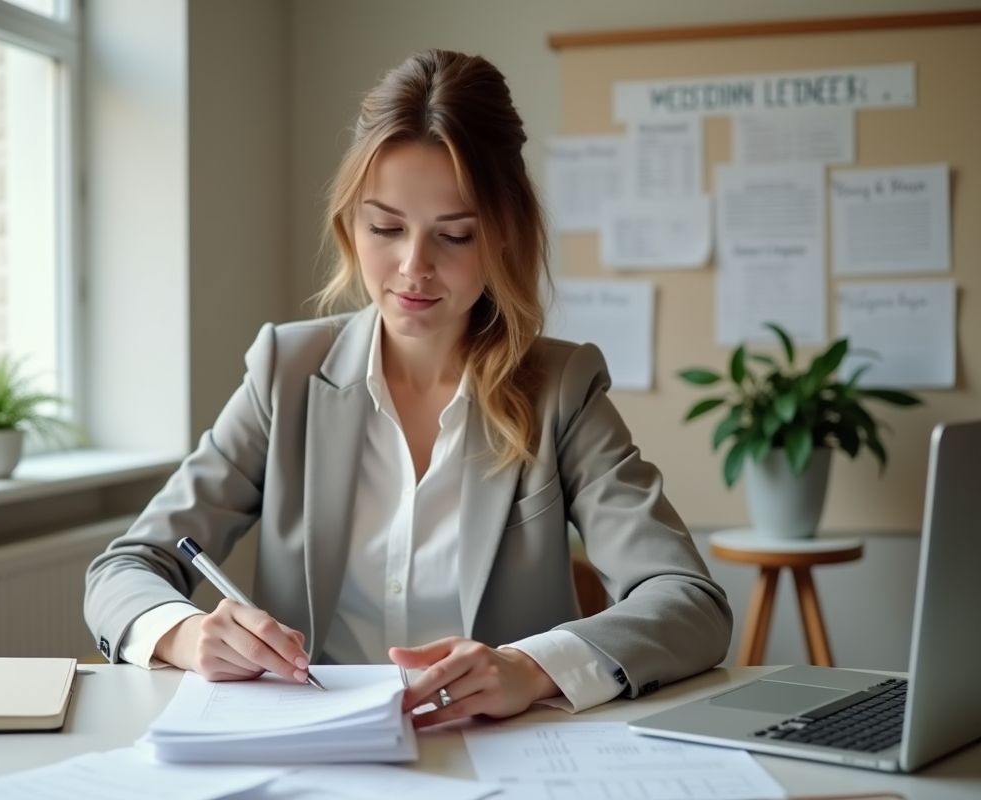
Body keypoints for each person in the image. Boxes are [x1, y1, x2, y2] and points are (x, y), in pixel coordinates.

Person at [84, 49, 732, 727]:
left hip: (500, 752)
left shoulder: (560, 389)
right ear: (349, 224)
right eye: (385, 228)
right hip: (314, 745)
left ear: (505, 236)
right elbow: (125, 567)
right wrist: (188, 636)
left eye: (453, 236)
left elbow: (688, 600)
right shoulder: (288, 371)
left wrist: (530, 668)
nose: (413, 267)